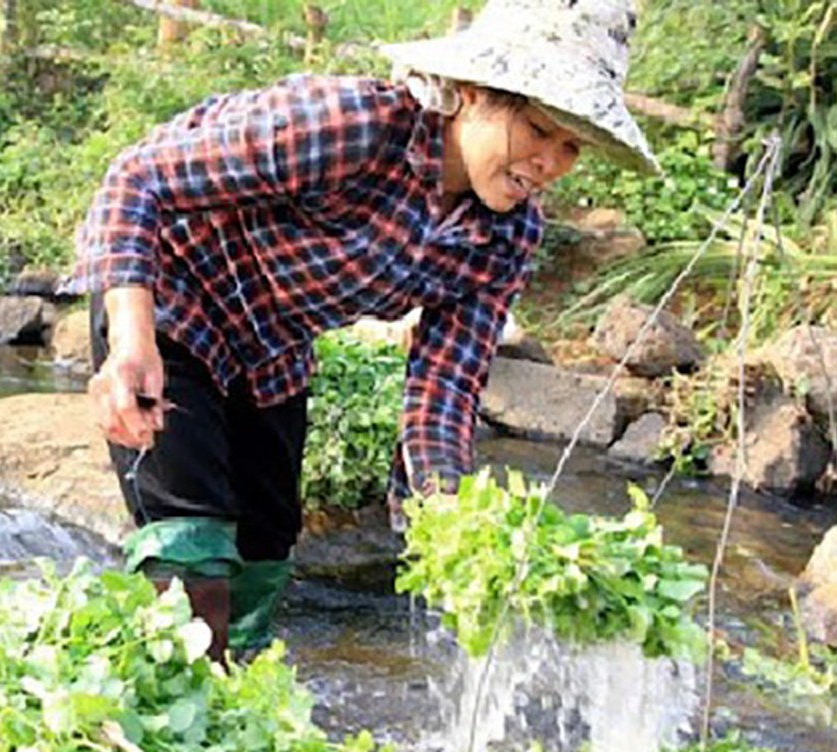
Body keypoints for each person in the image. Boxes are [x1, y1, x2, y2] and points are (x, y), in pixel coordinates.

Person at [70, 0, 658, 658]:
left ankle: (238, 711)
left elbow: (445, 388)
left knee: (266, 539)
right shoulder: (354, 126)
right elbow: (138, 178)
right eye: (538, 128)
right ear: (471, 94)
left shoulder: (507, 236)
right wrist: (129, 338)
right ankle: (175, 722)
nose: (549, 161)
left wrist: (448, 517)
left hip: (274, 342)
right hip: (175, 296)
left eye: (571, 145)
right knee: (193, 547)